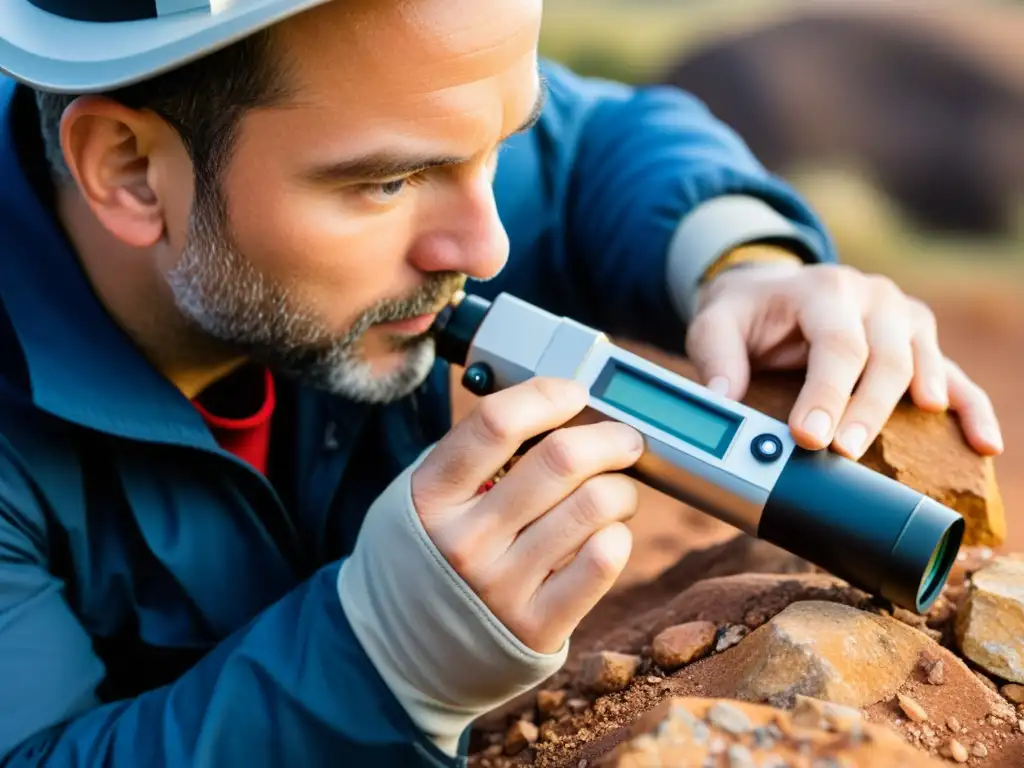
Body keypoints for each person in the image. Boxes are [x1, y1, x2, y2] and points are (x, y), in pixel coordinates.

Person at [0, 0, 1003, 765]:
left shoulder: (365, 111)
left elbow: (596, 140)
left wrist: (743, 264)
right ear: (129, 168)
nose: (484, 244)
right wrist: (377, 663)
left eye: (495, 148)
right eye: (389, 183)